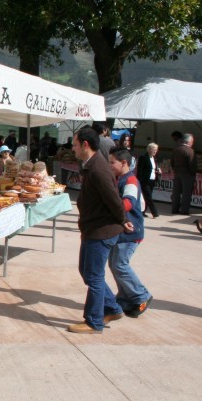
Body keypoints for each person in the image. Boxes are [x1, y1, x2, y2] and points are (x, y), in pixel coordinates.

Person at [68, 127, 126, 334]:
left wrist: (123, 219)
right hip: (93, 228)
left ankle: (94, 321)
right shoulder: (90, 165)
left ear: (85, 144)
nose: (72, 149)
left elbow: (114, 199)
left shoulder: (99, 169)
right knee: (87, 272)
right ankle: (112, 307)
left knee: (93, 276)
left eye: (75, 144)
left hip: (102, 230)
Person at [108, 147, 153, 318]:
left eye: (112, 162)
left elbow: (128, 203)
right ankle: (125, 298)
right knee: (115, 265)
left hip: (130, 232)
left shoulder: (131, 181)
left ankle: (141, 296)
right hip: (121, 231)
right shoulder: (120, 178)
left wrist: (110, 206)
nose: (109, 165)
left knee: (120, 265)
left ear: (124, 163)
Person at [171, 133, 197, 215]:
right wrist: (193, 173)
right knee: (186, 193)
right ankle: (184, 210)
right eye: (192, 141)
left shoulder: (176, 149)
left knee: (176, 192)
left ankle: (174, 208)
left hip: (177, 172)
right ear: (189, 142)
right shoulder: (190, 151)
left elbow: (172, 162)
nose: (192, 143)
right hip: (187, 174)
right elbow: (192, 164)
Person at [136, 143, 161, 218]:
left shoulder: (154, 158)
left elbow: (153, 168)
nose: (155, 151)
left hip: (152, 180)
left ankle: (142, 211)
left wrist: (158, 170)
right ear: (149, 149)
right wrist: (139, 180)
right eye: (154, 149)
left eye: (156, 150)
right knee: (149, 197)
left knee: (146, 197)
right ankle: (155, 213)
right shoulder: (143, 157)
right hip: (145, 180)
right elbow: (139, 170)